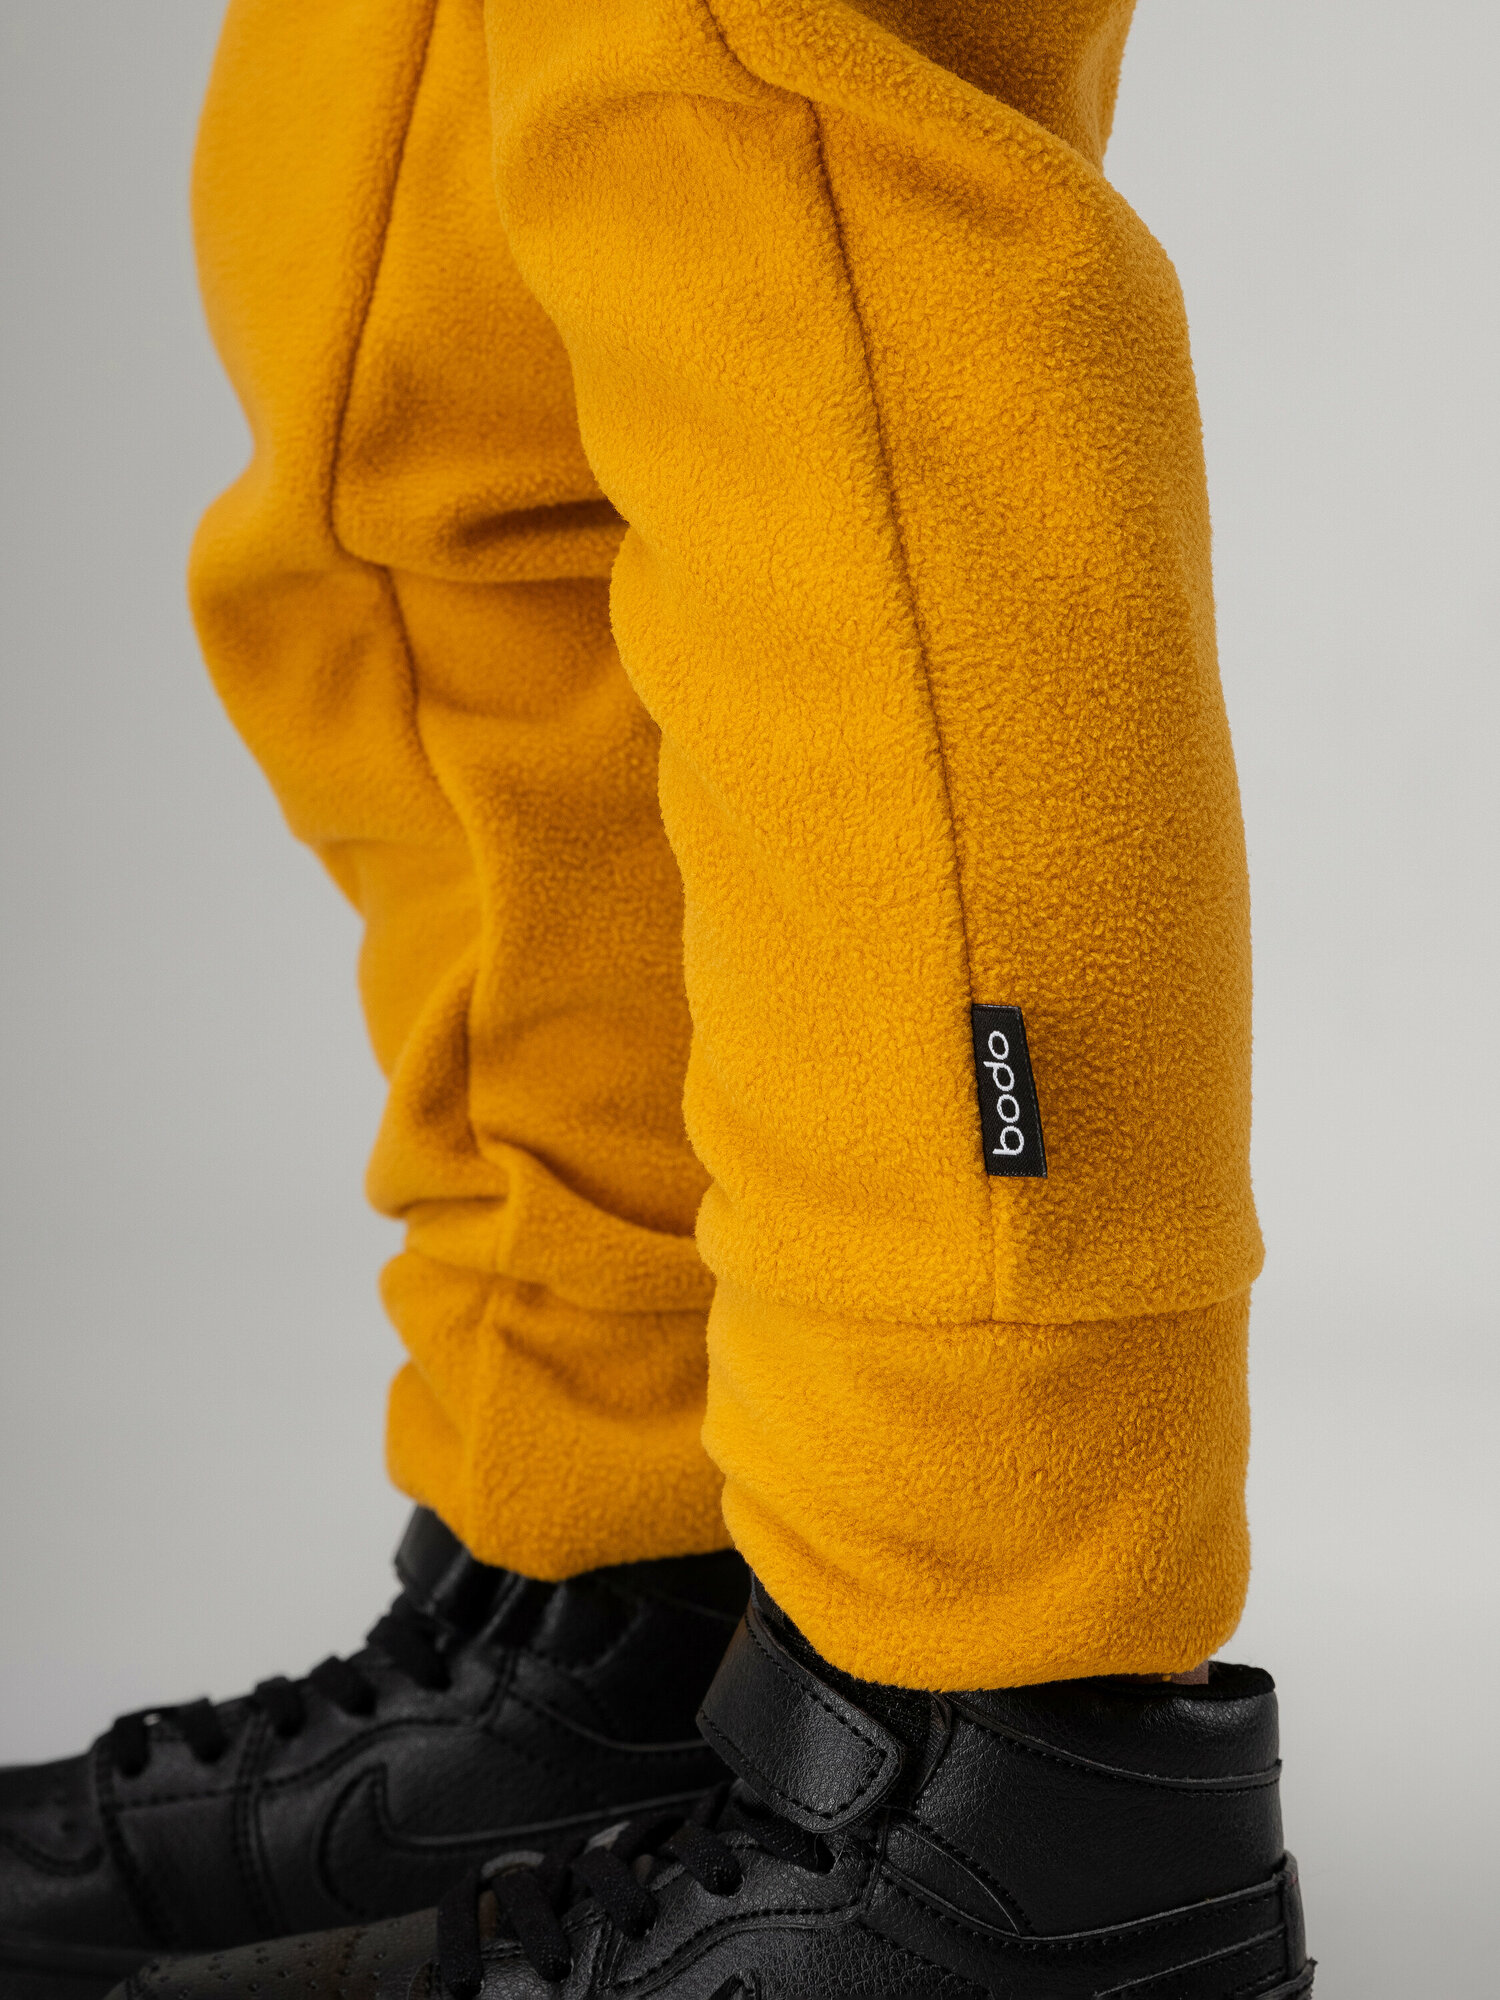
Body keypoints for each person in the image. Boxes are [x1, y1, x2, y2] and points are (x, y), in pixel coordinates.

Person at [0, 3, 1315, 1998]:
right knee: (422, 304)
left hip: (1003, 1712)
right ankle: (623, 1556)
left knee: (788, 163)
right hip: (621, 1474)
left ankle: (1008, 1741)